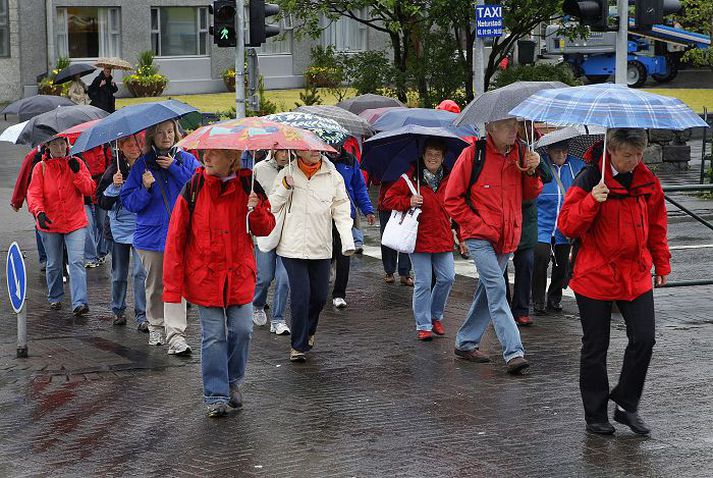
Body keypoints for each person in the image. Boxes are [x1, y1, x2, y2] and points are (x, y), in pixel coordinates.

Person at [558, 128, 670, 436]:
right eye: (626, 156)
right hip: (595, 274)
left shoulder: (647, 181)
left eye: (638, 155)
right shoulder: (589, 178)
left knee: (644, 338)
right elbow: (567, 225)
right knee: (596, 346)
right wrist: (592, 201)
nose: (633, 162)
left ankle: (626, 404)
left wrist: (662, 262)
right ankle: (595, 414)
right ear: (611, 151)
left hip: (634, 273)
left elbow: (657, 226)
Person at [164, 148, 275, 418]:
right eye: (206, 154)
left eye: (214, 154)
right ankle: (215, 394)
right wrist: (172, 287)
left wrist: (256, 209)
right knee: (213, 336)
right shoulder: (194, 188)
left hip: (238, 275)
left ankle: (233, 381)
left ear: (231, 159)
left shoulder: (249, 186)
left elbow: (266, 228)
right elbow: (176, 237)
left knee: (243, 330)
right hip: (205, 276)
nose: (207, 158)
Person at [444, 118, 542, 374]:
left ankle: (465, 343)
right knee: (497, 289)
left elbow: (530, 195)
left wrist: (532, 172)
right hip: (480, 237)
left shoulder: (522, 153)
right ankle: (514, 352)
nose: (514, 130)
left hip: (508, 236)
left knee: (487, 290)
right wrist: (476, 225)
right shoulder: (472, 155)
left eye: (515, 125)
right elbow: (451, 200)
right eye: (507, 125)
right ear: (490, 129)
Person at [120, 120, 201, 352]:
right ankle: (156, 324)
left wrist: (174, 168)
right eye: (160, 133)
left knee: (176, 284)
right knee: (155, 284)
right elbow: (129, 203)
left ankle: (176, 334)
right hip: (151, 236)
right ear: (151, 137)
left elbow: (199, 186)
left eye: (170, 132)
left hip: (180, 233)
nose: (166, 136)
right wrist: (144, 188)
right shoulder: (142, 166)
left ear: (176, 134)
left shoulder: (186, 160)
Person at [270, 149, 354, 363]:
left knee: (318, 297)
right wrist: (285, 188)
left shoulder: (333, 175)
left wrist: (347, 241)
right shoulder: (286, 173)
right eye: (309, 149)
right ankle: (297, 346)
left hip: (321, 246)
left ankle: (308, 330)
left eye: (317, 148)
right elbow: (272, 206)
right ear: (298, 150)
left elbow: (342, 210)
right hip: (292, 246)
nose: (314, 152)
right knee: (300, 296)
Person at [383, 138, 459, 341]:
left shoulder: (450, 177)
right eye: (429, 154)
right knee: (424, 283)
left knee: (448, 277)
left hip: (442, 237)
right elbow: (387, 200)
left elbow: (458, 202)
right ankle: (423, 325)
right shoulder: (410, 177)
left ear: (443, 157)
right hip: (419, 239)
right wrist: (408, 201)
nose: (433, 158)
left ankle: (435, 316)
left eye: (437, 155)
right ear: (423, 155)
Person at [27, 136, 95, 315]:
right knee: (54, 263)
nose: (60, 147)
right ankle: (55, 296)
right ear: (48, 146)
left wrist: (77, 173)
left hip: (75, 221)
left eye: (62, 143)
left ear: (67, 144)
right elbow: (34, 194)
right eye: (55, 143)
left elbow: (89, 190)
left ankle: (79, 302)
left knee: (76, 261)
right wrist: (39, 212)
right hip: (50, 223)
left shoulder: (77, 162)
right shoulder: (40, 168)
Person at [97, 135, 148, 331]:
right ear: (121, 146)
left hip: (141, 228)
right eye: (129, 145)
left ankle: (142, 315)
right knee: (119, 274)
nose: (134, 148)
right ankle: (118, 310)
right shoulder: (113, 170)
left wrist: (146, 186)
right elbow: (102, 202)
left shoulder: (146, 167)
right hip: (118, 231)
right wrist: (114, 187)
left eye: (137, 144)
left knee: (140, 273)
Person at [532, 139, 585, 315]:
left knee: (562, 265)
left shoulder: (577, 166)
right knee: (540, 258)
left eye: (564, 151)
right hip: (542, 224)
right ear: (549, 151)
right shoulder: (540, 165)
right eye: (556, 152)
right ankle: (538, 300)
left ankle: (554, 298)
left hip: (565, 225)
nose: (561, 155)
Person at [329, 144, 376, 308]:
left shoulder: (350, 160)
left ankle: (339, 294)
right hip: (323, 215)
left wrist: (367, 210)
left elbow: (359, 186)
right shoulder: (320, 158)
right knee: (327, 251)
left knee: (344, 253)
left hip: (345, 214)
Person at [252, 149, 291, 335]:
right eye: (280, 151)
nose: (284, 155)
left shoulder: (295, 170)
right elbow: (252, 196)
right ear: (273, 150)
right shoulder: (259, 168)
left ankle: (278, 319)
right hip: (265, 230)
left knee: (284, 279)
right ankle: (258, 304)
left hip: (289, 232)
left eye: (287, 151)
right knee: (265, 277)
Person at [11, 146, 47, 269]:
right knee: (40, 225)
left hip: (57, 198)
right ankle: (45, 258)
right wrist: (17, 201)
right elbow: (23, 178)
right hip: (37, 197)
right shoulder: (33, 156)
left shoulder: (66, 152)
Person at [378, 181, 414, 286]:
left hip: (408, 204)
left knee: (406, 237)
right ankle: (389, 271)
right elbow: (376, 180)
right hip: (386, 205)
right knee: (388, 238)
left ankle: (405, 272)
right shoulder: (385, 167)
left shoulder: (412, 168)